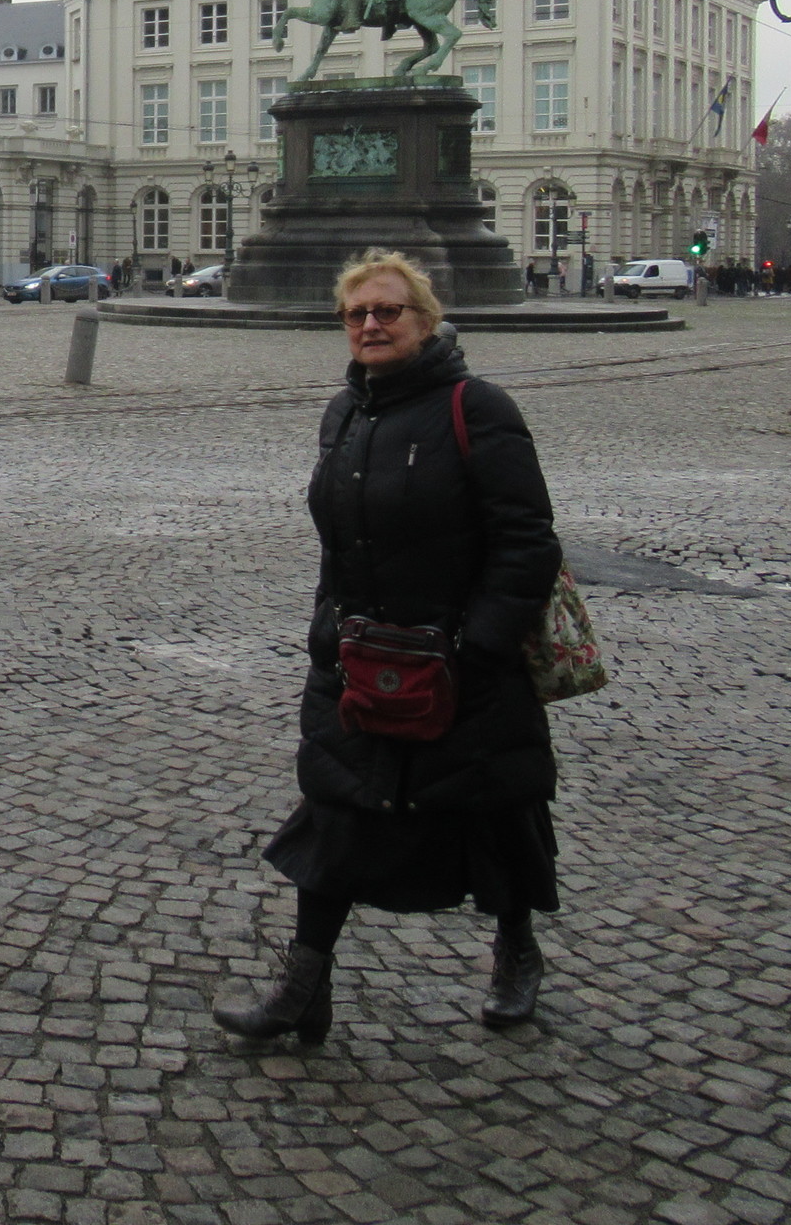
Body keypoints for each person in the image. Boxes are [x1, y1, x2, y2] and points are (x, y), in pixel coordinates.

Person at [214, 248, 564, 1045]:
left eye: (387, 311)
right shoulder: (346, 414)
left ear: (425, 320)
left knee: (493, 807)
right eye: (357, 313)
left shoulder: (478, 408)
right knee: (338, 807)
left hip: (460, 660)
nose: (370, 324)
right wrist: (327, 628)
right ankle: (304, 987)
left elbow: (527, 543)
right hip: (360, 655)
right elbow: (339, 538)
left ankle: (516, 952)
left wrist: (479, 649)